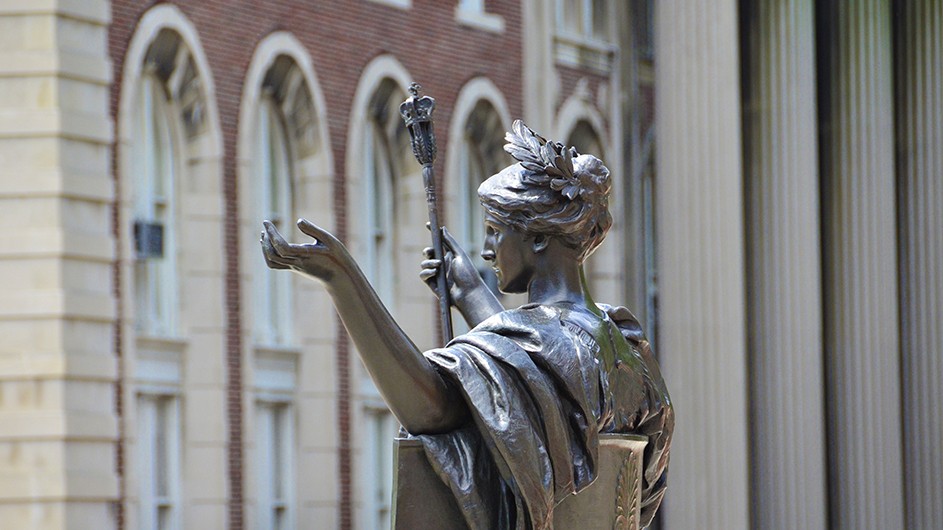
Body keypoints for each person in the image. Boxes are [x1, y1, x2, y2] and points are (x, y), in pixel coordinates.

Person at [260, 120, 672, 529]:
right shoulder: (624, 342)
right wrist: (470, 294)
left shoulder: (542, 342)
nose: (487, 249)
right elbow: (532, 380)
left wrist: (342, 279)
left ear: (539, 239)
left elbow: (431, 410)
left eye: (495, 232)